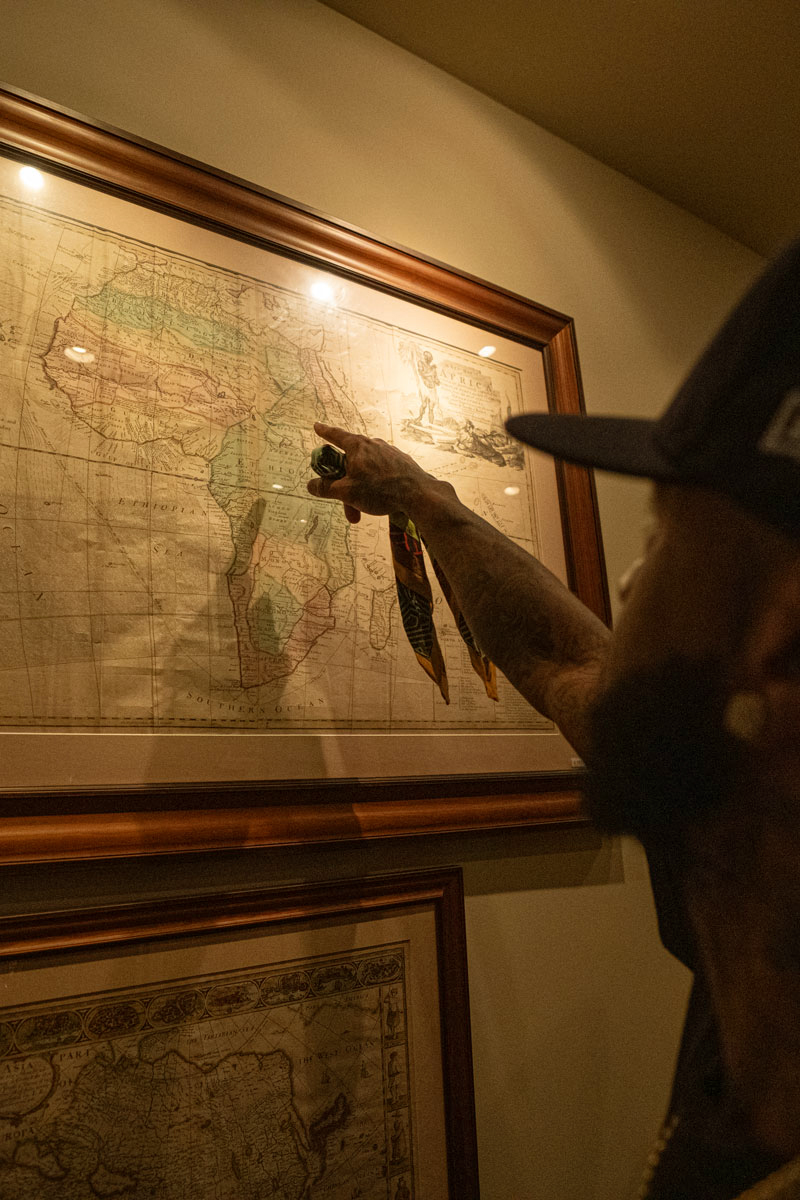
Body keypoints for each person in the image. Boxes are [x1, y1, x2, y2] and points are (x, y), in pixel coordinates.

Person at [307, 235, 800, 1199]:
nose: (627, 581)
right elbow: (566, 658)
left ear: (778, 650)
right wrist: (424, 501)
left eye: (661, 541)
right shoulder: (744, 838)